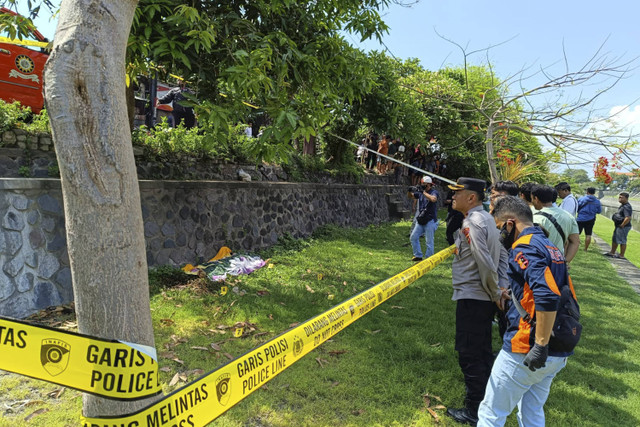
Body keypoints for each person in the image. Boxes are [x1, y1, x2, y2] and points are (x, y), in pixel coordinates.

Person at [478, 196, 576, 427]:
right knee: (531, 411)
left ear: (511, 223)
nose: (499, 235)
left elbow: (548, 294)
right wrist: (514, 296)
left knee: (491, 412)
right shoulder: (550, 245)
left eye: (500, 228)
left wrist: (540, 345)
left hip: (528, 346)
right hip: (559, 344)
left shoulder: (525, 247)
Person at [446, 177, 508, 426]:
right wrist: (501, 287)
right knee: (482, 351)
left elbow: (485, 262)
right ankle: (486, 402)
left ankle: (474, 410)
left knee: (470, 354)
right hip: (481, 298)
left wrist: (496, 292)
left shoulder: (472, 223)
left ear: (471, 198)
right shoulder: (487, 220)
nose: (452, 197)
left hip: (474, 298)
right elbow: (502, 255)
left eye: (456, 193)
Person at [531, 185, 580, 264]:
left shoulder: (533, 216)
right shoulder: (569, 216)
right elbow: (575, 242)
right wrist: (566, 262)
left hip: (536, 262)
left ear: (536, 199)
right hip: (557, 262)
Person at [408, 176, 439, 261]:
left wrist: (423, 192)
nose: (423, 186)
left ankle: (429, 258)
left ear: (429, 184)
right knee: (413, 237)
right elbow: (411, 196)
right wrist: (409, 190)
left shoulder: (434, 192)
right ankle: (418, 255)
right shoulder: (420, 192)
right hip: (421, 219)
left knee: (429, 241)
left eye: (425, 184)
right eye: (422, 184)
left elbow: (433, 199)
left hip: (430, 220)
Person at [604, 192, 633, 259]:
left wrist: (622, 225)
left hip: (624, 226)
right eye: (619, 197)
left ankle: (621, 255)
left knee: (622, 240)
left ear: (626, 198)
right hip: (619, 226)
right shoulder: (622, 205)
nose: (619, 199)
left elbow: (628, 217)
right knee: (615, 239)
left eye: (621, 198)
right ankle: (612, 252)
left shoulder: (626, 206)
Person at [576, 187, 602, 252]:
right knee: (588, 234)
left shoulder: (581, 199)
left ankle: (575, 247)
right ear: (594, 192)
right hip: (591, 219)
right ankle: (585, 249)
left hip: (580, 218)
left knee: (577, 234)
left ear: (587, 192)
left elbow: (577, 207)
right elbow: (599, 211)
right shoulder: (597, 201)